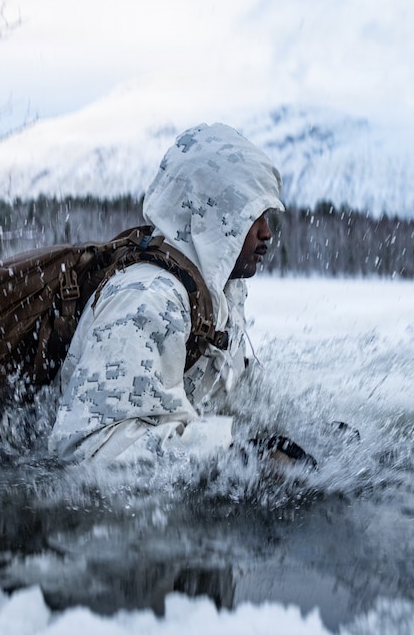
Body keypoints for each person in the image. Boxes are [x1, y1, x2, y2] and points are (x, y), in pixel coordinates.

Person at [48, 122, 286, 463]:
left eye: (266, 216)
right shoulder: (148, 298)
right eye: (252, 215)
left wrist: (291, 435)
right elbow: (91, 451)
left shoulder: (219, 293)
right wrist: (235, 458)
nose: (267, 232)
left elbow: (229, 401)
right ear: (214, 213)